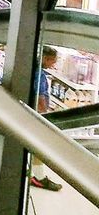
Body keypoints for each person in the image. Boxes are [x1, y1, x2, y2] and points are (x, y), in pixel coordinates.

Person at [31, 47, 63, 191]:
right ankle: (39, 178)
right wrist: (45, 116)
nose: (53, 65)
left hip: (27, 113)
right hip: (36, 116)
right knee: (39, 148)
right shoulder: (40, 75)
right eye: (52, 61)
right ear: (45, 58)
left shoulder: (31, 68)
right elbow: (40, 98)